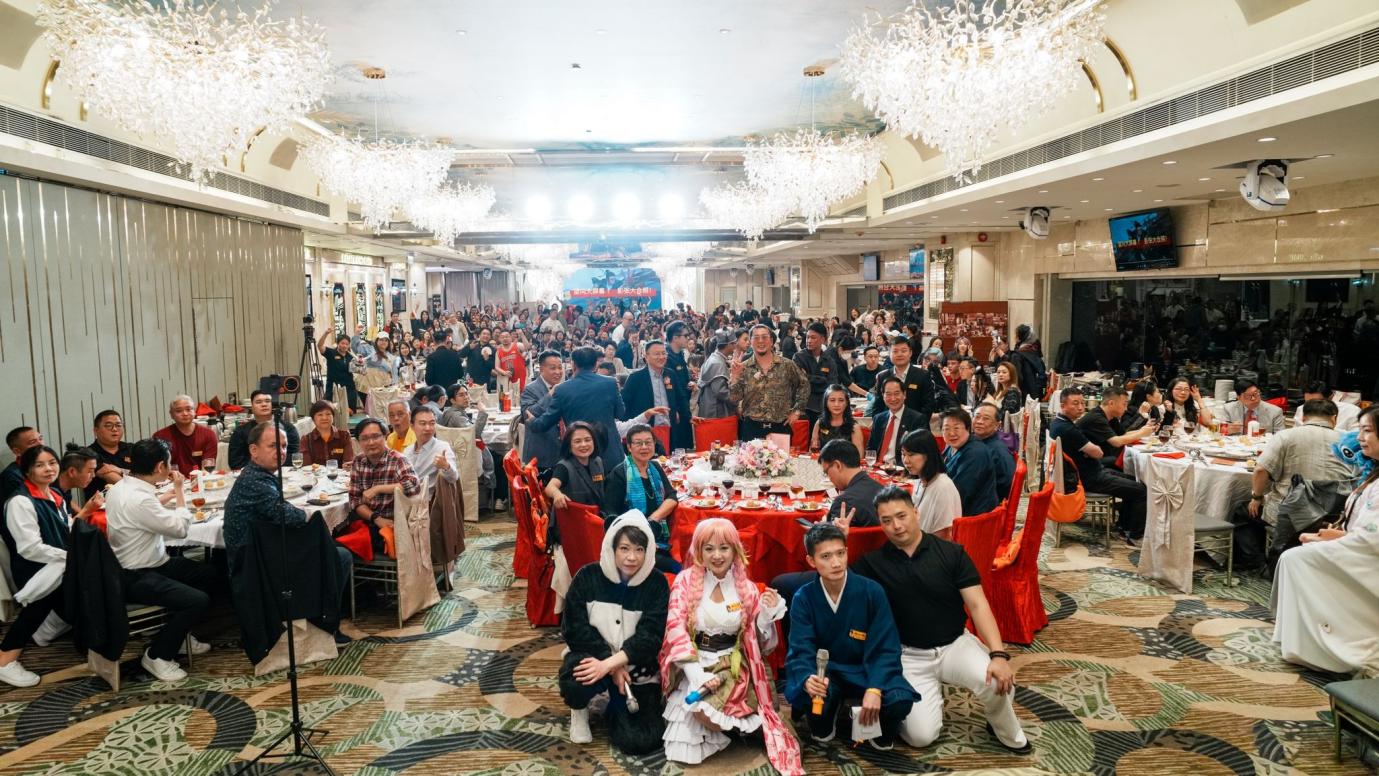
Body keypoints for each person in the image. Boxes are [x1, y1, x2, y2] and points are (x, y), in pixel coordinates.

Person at [849, 487, 1030, 753]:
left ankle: (1001, 726)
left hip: (955, 645)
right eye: (886, 520)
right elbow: (834, 584)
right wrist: (839, 540)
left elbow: (978, 605)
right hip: (909, 655)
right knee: (921, 736)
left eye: (901, 516)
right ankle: (925, 701)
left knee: (998, 682)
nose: (896, 526)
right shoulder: (873, 563)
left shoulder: (951, 553)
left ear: (916, 512)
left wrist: (998, 654)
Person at [658, 519, 800, 773]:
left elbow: (762, 647)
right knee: (688, 734)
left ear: (735, 550)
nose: (717, 555)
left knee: (704, 712)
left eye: (724, 548)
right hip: (694, 663)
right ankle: (736, 727)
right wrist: (696, 676)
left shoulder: (746, 589)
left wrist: (766, 616)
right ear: (698, 551)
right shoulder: (685, 581)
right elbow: (675, 628)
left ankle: (744, 723)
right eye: (709, 548)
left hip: (732, 665)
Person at [784, 522, 918, 749]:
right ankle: (830, 710)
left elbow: (886, 648)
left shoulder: (872, 592)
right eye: (826, 556)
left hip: (867, 669)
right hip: (828, 673)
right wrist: (808, 678)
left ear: (847, 552)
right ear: (811, 561)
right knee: (818, 718)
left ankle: (878, 728)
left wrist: (875, 688)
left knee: (900, 701)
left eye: (840, 553)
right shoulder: (803, 598)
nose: (836, 563)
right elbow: (800, 648)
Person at [1272, 405, 1379, 675]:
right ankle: (1302, 641)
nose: (1360, 438)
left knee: (1296, 558)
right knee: (1295, 555)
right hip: (1358, 546)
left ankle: (1324, 642)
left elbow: (1372, 537)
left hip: (1368, 558)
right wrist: (1331, 536)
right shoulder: (1372, 474)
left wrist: (1334, 538)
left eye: (1368, 431)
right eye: (1360, 431)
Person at [223, 424, 352, 644]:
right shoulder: (256, 481)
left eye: (283, 446)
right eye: (273, 446)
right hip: (256, 565)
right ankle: (322, 621)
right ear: (253, 450)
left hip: (261, 553)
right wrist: (300, 513)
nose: (281, 452)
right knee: (339, 556)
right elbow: (290, 517)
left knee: (330, 548)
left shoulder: (255, 475)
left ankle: (320, 614)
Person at [104, 438, 217, 682]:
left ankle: (179, 636)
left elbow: (146, 512)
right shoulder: (140, 498)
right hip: (136, 575)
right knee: (197, 601)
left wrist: (165, 496)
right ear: (159, 467)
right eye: (169, 463)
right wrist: (179, 491)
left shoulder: (121, 488)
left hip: (147, 563)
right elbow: (180, 530)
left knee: (209, 575)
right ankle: (158, 655)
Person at [560, 512, 669, 753]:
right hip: (593, 658)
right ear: (612, 547)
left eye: (639, 550)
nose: (632, 557)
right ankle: (579, 709)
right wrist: (609, 664)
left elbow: (650, 637)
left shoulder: (657, 583)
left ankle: (615, 709)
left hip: (636, 668)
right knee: (576, 678)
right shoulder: (587, 576)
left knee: (642, 740)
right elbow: (574, 629)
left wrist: (615, 664)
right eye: (624, 548)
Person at [0, 446, 70, 686]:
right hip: (34, 568)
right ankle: (5, 660)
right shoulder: (20, 501)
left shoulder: (54, 494)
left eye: (52, 462)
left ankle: (48, 630)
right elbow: (29, 548)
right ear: (27, 470)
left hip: (57, 563)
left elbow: (65, 527)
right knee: (39, 605)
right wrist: (68, 556)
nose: (48, 469)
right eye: (40, 465)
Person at [1050, 387, 1147, 543]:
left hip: (1090, 471)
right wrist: (1092, 451)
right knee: (1142, 491)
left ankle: (1124, 527)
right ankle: (1135, 536)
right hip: (1087, 478)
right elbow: (1098, 453)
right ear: (1063, 406)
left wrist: (1090, 451)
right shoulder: (1068, 428)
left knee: (1135, 481)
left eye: (1082, 403)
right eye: (1075, 403)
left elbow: (1096, 450)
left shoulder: (1058, 423)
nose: (1081, 407)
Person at [1249, 399, 1352, 530]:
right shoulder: (1347, 442)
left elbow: (1260, 470)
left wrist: (1256, 497)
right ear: (1334, 418)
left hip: (1289, 514)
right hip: (1333, 515)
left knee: (1243, 511)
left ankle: (1264, 543)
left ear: (1303, 417)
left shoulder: (1285, 436)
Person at [529, 346, 626, 468]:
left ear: (573, 364)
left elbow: (546, 422)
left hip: (581, 456)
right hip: (610, 452)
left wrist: (532, 421)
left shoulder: (562, 389)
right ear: (595, 365)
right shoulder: (610, 383)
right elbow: (621, 413)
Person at [602, 425, 679, 573]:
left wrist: (654, 518)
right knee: (678, 568)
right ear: (629, 447)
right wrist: (638, 537)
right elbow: (611, 516)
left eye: (648, 442)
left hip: (657, 536)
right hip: (632, 543)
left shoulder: (655, 467)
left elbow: (672, 497)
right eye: (638, 443)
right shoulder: (619, 474)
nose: (644, 447)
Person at [348, 418, 423, 554]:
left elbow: (414, 485)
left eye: (376, 436)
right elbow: (355, 500)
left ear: (385, 436)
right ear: (358, 442)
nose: (371, 442)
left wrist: (378, 489)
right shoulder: (358, 461)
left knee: (343, 546)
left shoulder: (398, 460)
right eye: (364, 438)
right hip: (369, 521)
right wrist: (376, 518)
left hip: (395, 525)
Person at [728, 324, 810, 442]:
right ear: (751, 342)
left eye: (764, 337)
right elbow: (734, 399)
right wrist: (735, 378)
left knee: (782, 455)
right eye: (756, 337)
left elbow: (804, 385)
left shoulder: (787, 365)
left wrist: (797, 411)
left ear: (771, 341)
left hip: (780, 427)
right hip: (752, 428)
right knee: (751, 455)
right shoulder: (743, 367)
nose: (760, 341)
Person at [899, 430, 962, 539]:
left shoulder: (943, 487)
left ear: (928, 455)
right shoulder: (920, 481)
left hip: (932, 547)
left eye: (911, 455)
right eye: (903, 454)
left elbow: (944, 536)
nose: (905, 460)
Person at [1076, 386, 1156, 470]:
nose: (1126, 409)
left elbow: (1123, 434)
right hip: (1086, 464)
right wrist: (1141, 433)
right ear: (1111, 403)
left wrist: (1144, 430)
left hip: (1100, 458)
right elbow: (1116, 442)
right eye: (1124, 404)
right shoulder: (1096, 418)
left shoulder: (1111, 416)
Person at [938, 408, 999, 516]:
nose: (951, 433)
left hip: (973, 517)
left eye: (956, 428)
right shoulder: (952, 446)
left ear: (968, 429)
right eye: (946, 429)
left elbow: (959, 493)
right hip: (956, 506)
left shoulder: (975, 453)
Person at [868, 336, 935, 428]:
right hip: (889, 426)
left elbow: (928, 405)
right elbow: (878, 406)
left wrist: (916, 424)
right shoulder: (882, 377)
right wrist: (879, 424)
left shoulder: (923, 375)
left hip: (916, 427)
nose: (899, 354)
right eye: (895, 351)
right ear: (889, 354)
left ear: (910, 353)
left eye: (903, 351)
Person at [226, 390, 300, 471]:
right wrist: (265, 465)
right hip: (252, 474)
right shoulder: (240, 432)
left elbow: (294, 458)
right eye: (258, 402)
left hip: (284, 473)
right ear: (252, 407)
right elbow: (235, 463)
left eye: (267, 401)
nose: (264, 404)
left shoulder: (288, 428)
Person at [818, 439, 884, 527]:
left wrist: (824, 524)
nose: (829, 478)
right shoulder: (883, 490)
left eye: (827, 472)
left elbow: (831, 535)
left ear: (837, 465)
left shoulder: (843, 503)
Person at [518, 350, 564, 472]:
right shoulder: (530, 389)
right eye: (553, 368)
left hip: (562, 453)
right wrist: (551, 394)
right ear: (542, 369)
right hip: (541, 453)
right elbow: (529, 414)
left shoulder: (564, 387)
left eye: (560, 368)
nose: (558, 372)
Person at [794, 322, 848, 426]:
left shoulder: (829, 360)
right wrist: (822, 380)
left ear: (823, 339)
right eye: (808, 337)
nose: (809, 341)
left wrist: (808, 377)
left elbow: (832, 386)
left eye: (813, 337)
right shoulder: (799, 357)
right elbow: (800, 383)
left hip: (824, 407)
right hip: (805, 408)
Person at [866, 375, 925, 467]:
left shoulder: (917, 419)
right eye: (888, 394)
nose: (893, 398)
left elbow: (921, 452)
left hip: (902, 469)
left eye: (897, 393)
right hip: (878, 467)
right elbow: (871, 449)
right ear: (883, 396)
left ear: (904, 394)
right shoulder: (878, 418)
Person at [153, 395, 219, 476]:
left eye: (188, 409)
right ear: (171, 414)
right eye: (179, 411)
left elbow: (207, 467)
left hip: (200, 479)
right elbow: (159, 468)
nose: (185, 413)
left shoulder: (208, 434)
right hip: (171, 481)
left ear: (194, 411)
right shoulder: (160, 436)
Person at [545, 422, 605, 510]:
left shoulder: (598, 461)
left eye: (587, 440)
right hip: (573, 516)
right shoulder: (564, 466)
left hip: (598, 514)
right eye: (577, 441)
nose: (583, 445)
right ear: (569, 446)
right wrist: (557, 494)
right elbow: (550, 487)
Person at [621, 341, 675, 437]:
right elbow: (625, 404)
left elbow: (679, 398)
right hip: (644, 431)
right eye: (657, 354)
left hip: (669, 429)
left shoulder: (671, 374)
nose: (661, 357)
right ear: (646, 356)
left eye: (664, 353)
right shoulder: (635, 378)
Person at [970, 404, 1017, 503]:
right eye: (977, 417)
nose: (979, 422)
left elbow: (1007, 484)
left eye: (986, 419)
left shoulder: (998, 451)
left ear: (997, 425)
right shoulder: (974, 442)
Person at [405, 406, 458, 492]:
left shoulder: (442, 447)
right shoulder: (407, 451)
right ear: (412, 426)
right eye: (423, 423)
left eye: (432, 423)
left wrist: (446, 466)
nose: (428, 428)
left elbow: (454, 478)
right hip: (407, 497)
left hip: (429, 498)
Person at [664, 321, 696, 451]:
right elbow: (668, 387)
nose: (688, 338)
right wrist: (674, 409)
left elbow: (681, 379)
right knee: (676, 447)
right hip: (674, 407)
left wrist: (689, 383)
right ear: (675, 338)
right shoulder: (666, 358)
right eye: (685, 335)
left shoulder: (680, 354)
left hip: (684, 402)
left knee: (685, 445)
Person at [87, 410, 133, 499]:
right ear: (96, 431)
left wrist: (120, 471)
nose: (114, 429)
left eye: (118, 425)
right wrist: (139, 481)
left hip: (137, 499)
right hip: (103, 504)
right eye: (108, 426)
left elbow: (149, 473)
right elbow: (118, 482)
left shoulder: (132, 448)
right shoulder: (89, 454)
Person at [812, 384, 863, 455]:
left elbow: (859, 456)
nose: (836, 404)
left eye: (841, 400)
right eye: (832, 400)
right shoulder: (819, 423)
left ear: (846, 403)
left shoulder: (854, 427)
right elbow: (812, 450)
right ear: (826, 403)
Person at [1219, 378, 1283, 434]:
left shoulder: (1275, 411)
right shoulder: (1228, 408)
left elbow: (1280, 436)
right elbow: (1220, 431)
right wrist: (1227, 430)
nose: (1253, 398)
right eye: (1248, 396)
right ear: (1239, 397)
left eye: (1256, 393)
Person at [1293, 380, 1360, 432]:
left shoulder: (1352, 411)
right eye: (1308, 403)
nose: (1312, 407)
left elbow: (1355, 437)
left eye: (1318, 403)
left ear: (1331, 397)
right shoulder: (1301, 409)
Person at [696, 332, 735, 419]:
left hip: (709, 405)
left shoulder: (715, 358)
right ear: (728, 345)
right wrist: (736, 399)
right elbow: (720, 391)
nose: (735, 346)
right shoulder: (717, 363)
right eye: (733, 343)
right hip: (715, 410)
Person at [1, 427, 43, 507]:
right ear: (17, 451)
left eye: (40, 439)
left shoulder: (48, 467)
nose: (40, 444)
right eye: (33, 442)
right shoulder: (11, 476)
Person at [494, 329, 527, 407]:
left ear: (511, 337)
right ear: (500, 339)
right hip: (507, 379)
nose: (505, 338)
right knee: (509, 400)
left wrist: (522, 335)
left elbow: (527, 347)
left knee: (521, 398)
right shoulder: (498, 351)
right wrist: (504, 372)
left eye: (507, 336)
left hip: (520, 377)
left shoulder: (517, 345)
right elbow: (497, 367)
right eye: (502, 337)